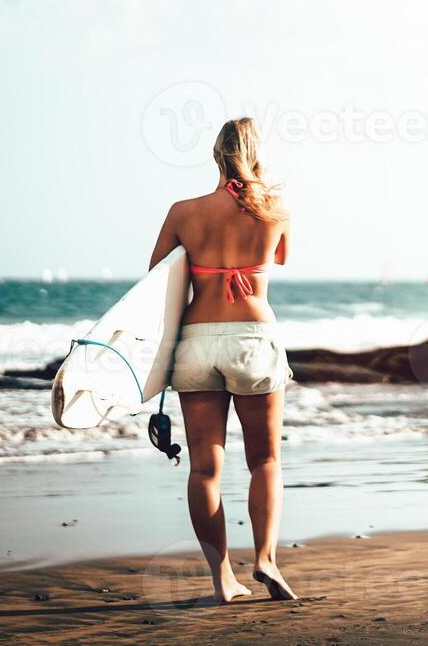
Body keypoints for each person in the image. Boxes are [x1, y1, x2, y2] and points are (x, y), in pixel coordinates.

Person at [149, 117, 297, 604]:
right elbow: (281, 260)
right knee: (266, 460)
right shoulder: (275, 209)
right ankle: (266, 560)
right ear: (256, 155)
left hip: (196, 341)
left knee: (204, 470)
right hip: (252, 338)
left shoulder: (182, 211)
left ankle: (221, 581)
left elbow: (156, 280)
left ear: (216, 155)